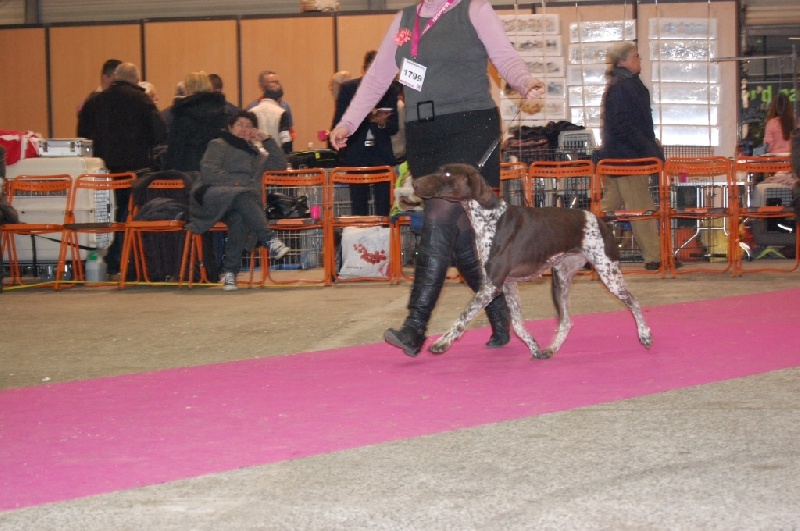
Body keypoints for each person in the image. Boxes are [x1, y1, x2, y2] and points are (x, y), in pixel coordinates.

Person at [329, 0, 545, 357]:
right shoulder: (405, 18)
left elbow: (504, 57)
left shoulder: (474, 9)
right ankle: (499, 310)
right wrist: (348, 123)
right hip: (424, 134)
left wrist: (524, 81)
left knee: (439, 216)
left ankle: (416, 326)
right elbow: (377, 77)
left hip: (470, 125)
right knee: (459, 237)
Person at [77, 62, 167, 275]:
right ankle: (129, 261)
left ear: (115, 77)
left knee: (104, 214)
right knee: (131, 214)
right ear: (136, 80)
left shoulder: (94, 101)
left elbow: (82, 135)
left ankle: (105, 259)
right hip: (135, 170)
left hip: (102, 170)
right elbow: (159, 134)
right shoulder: (142, 100)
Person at [186, 110, 291, 291]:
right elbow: (209, 172)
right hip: (212, 195)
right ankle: (270, 239)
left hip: (240, 202)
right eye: (239, 125)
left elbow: (280, 164)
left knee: (240, 218)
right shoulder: (219, 144)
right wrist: (236, 185)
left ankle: (230, 274)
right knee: (244, 194)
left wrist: (266, 139)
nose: (244, 129)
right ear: (230, 127)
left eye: (249, 125)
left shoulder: (257, 154)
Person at [598, 42, 664, 271]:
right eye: (635, 57)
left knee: (606, 208)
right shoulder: (622, 87)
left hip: (621, 156)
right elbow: (623, 126)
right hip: (627, 158)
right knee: (642, 206)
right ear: (622, 61)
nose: (639, 61)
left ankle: (577, 244)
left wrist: (649, 144)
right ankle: (655, 257)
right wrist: (647, 147)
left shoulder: (623, 85)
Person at [332, 50, 398, 216]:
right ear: (364, 69)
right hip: (357, 154)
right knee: (358, 206)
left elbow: (395, 126)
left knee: (384, 207)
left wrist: (383, 123)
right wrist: (363, 117)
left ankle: (384, 240)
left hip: (381, 155)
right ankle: (358, 240)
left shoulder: (391, 90)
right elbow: (338, 122)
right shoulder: (348, 89)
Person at [164, 71, 228, 172]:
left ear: (188, 87)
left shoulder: (182, 111)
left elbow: (176, 146)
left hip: (188, 165)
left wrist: (169, 169)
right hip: (216, 164)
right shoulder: (221, 109)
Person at [251, 85, 293, 154]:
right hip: (276, 156)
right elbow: (286, 140)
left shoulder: (251, 112)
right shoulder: (281, 113)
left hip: (256, 155)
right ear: (279, 99)